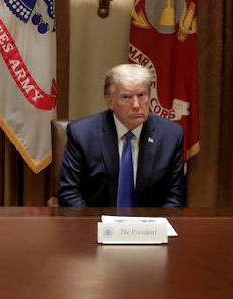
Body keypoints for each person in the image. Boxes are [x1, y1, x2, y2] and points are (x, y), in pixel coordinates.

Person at [57, 63, 186, 208]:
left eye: (142, 95)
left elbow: (175, 197)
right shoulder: (82, 134)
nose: (136, 105)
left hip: (150, 222)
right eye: (126, 97)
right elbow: (69, 193)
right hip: (96, 220)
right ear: (110, 102)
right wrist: (93, 222)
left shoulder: (171, 135)